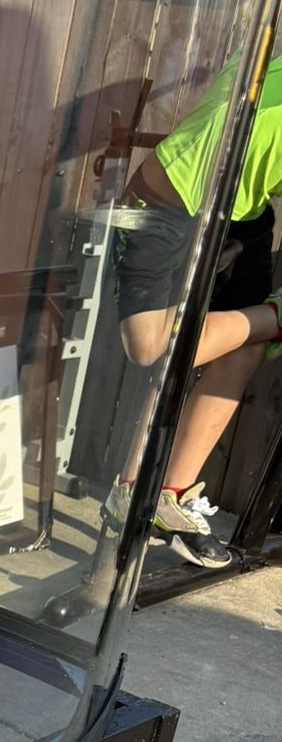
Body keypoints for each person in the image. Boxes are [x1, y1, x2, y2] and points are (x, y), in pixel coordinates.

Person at [111, 52, 282, 567]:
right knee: (150, 346)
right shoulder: (267, 51)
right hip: (172, 202)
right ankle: (275, 318)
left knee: (242, 351)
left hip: (240, 214)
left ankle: (167, 496)